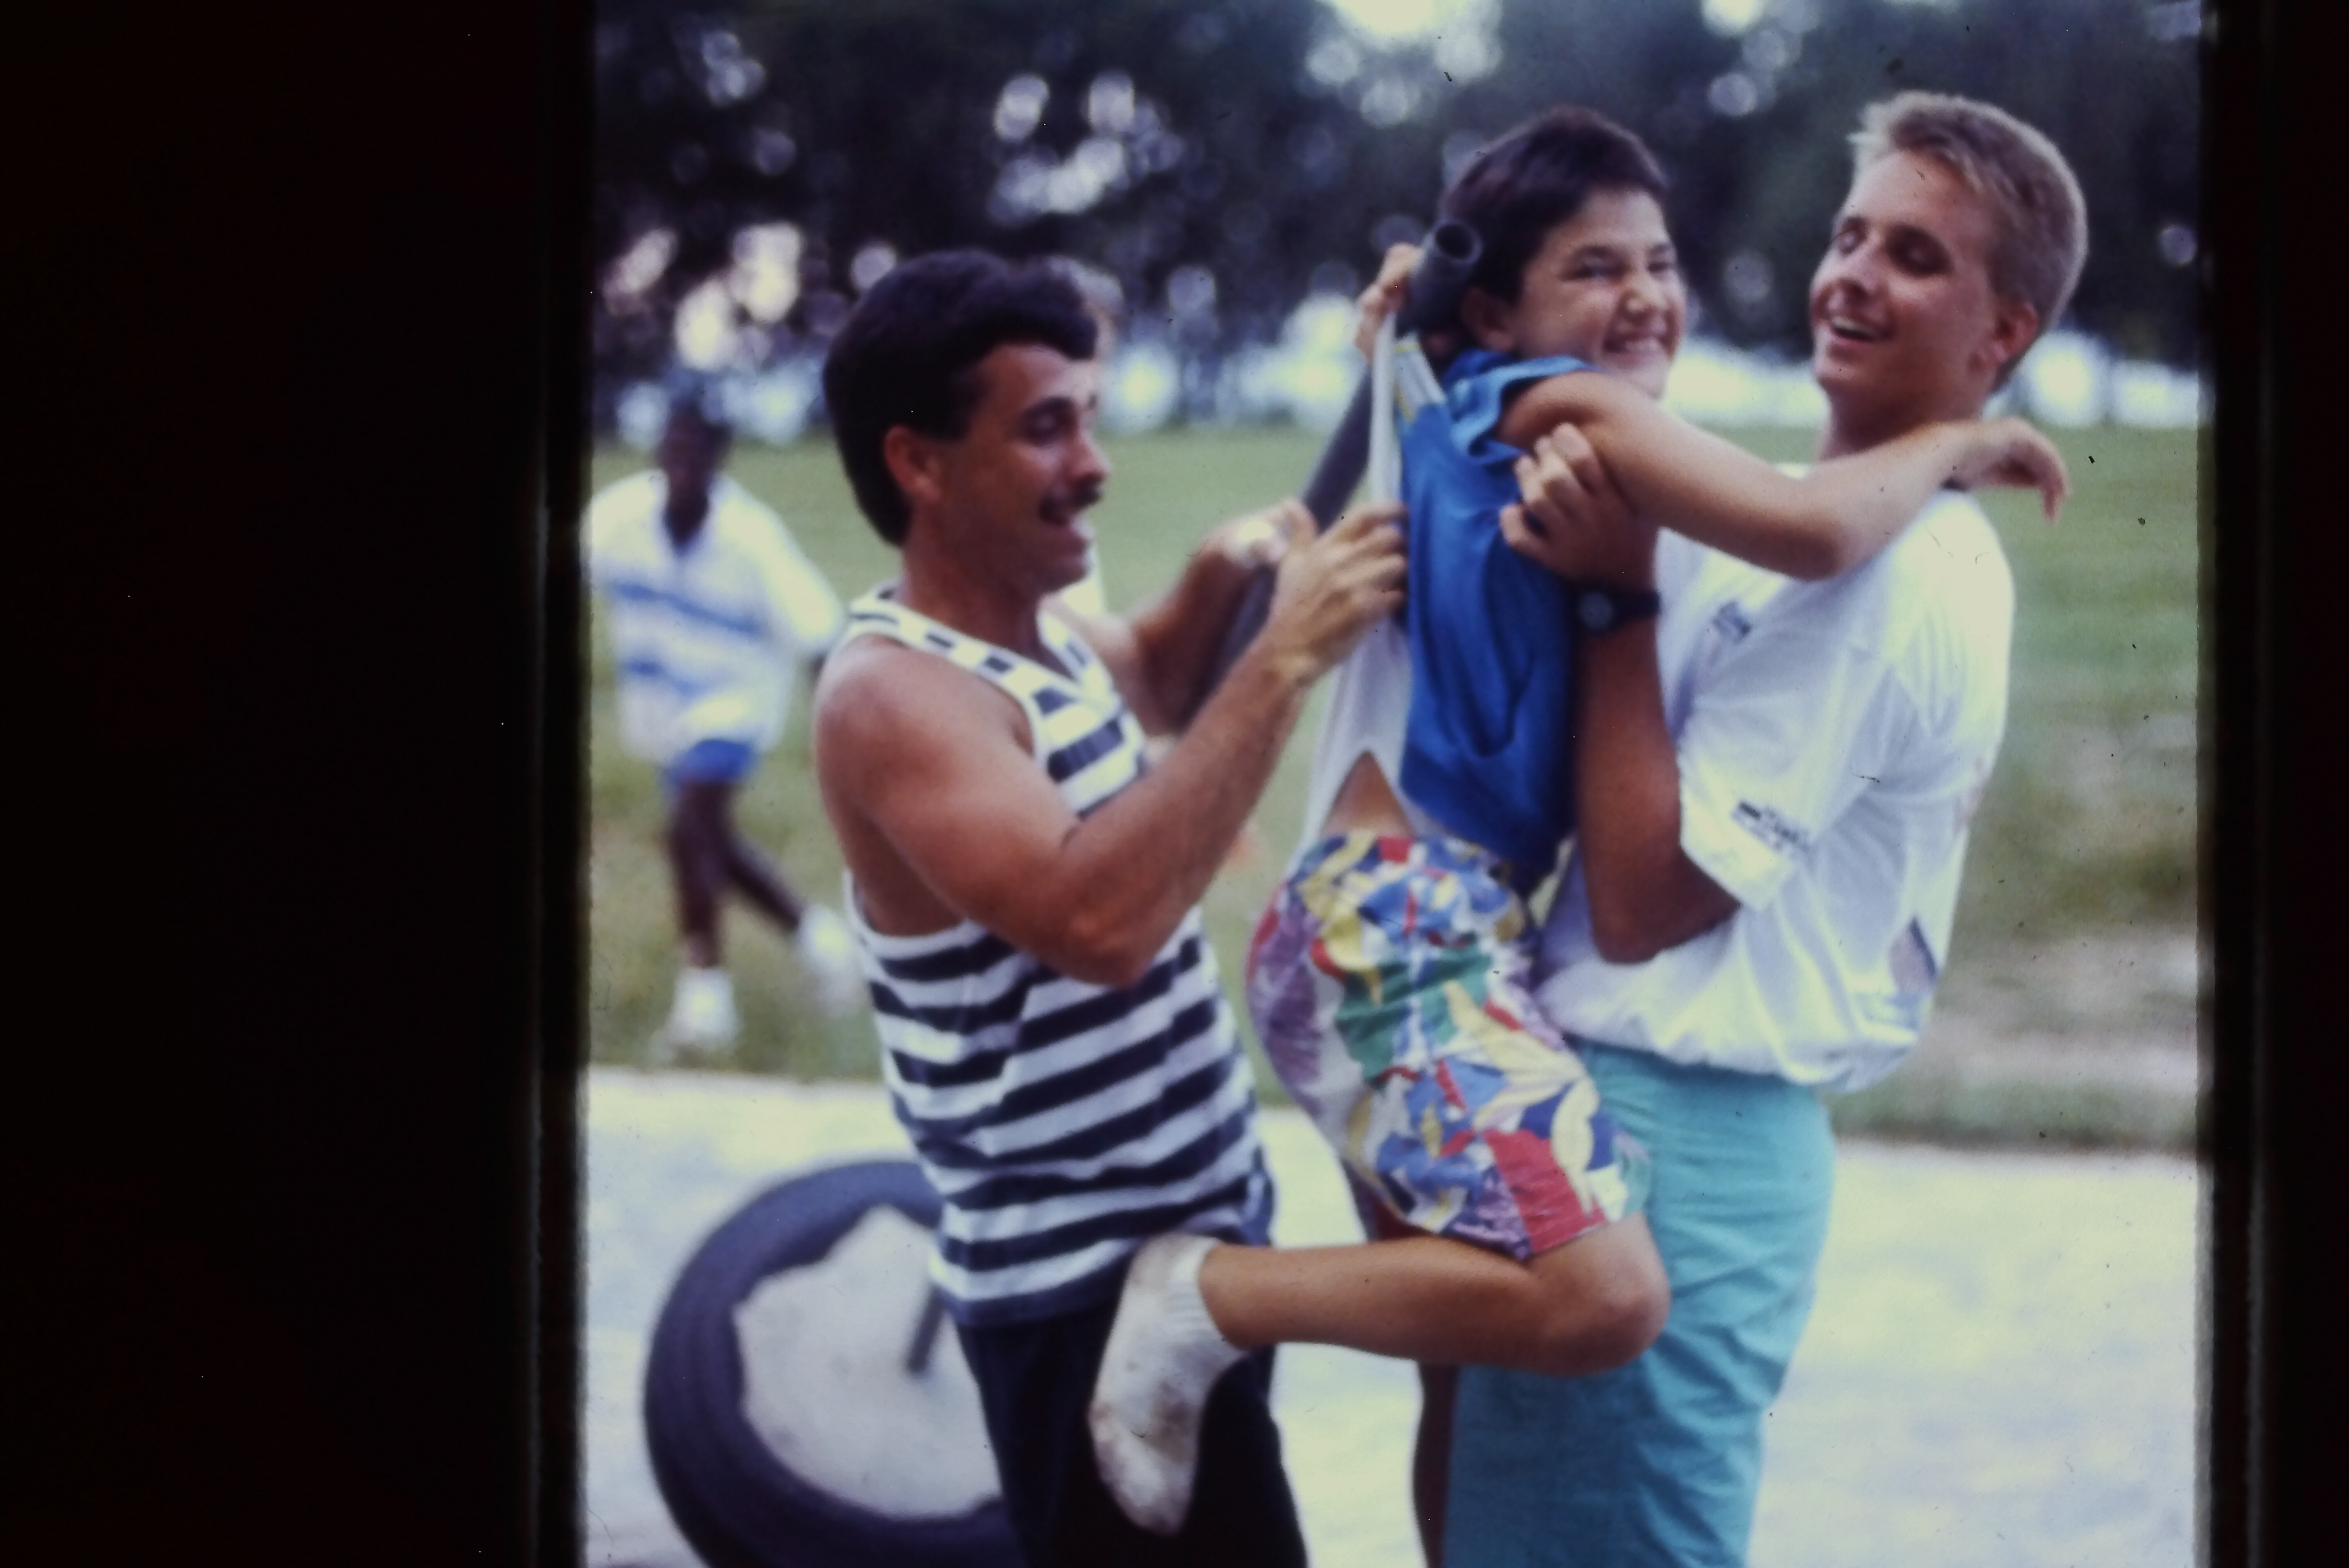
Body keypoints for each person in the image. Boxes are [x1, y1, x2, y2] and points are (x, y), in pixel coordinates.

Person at [1090, 105, 2068, 1556]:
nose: (1645, 296)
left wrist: (1419, 322)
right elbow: (1807, 529)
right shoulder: (1558, 409)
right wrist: (1957, 441)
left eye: (1659, 263)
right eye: (1595, 267)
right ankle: (1205, 1296)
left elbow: (1771, 517)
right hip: (1397, 929)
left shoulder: (1555, 434)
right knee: (1595, 1296)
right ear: (1498, 312)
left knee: (1461, 1370)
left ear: (2005, 324)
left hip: (1404, 932)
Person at [1436, 91, 2090, 1566]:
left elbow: (1644, 900)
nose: (1853, 275)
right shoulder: (1796, 509)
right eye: (1850, 235)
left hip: (1678, 1134)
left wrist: (1615, 599)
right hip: (1624, 1117)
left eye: (1915, 257)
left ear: (2004, 331)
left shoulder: (1896, 578)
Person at [809, 248, 1407, 1568]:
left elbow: (1159, 680)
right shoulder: (894, 694)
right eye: (1046, 429)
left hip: (1190, 1259)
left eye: (1088, 417)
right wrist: (1288, 655)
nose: (1095, 464)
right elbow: (1100, 923)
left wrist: (1229, 572)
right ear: (918, 464)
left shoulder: (1040, 634)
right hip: (1084, 1302)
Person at [585, 376, 863, 1057]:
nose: (684, 461)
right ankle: (824, 944)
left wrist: (845, 744)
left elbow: (819, 635)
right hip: (662, 712)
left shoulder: (750, 539)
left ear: (721, 454)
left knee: (692, 825)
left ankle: (705, 1005)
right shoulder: (618, 521)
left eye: (699, 447)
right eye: (673, 445)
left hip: (735, 705)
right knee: (708, 843)